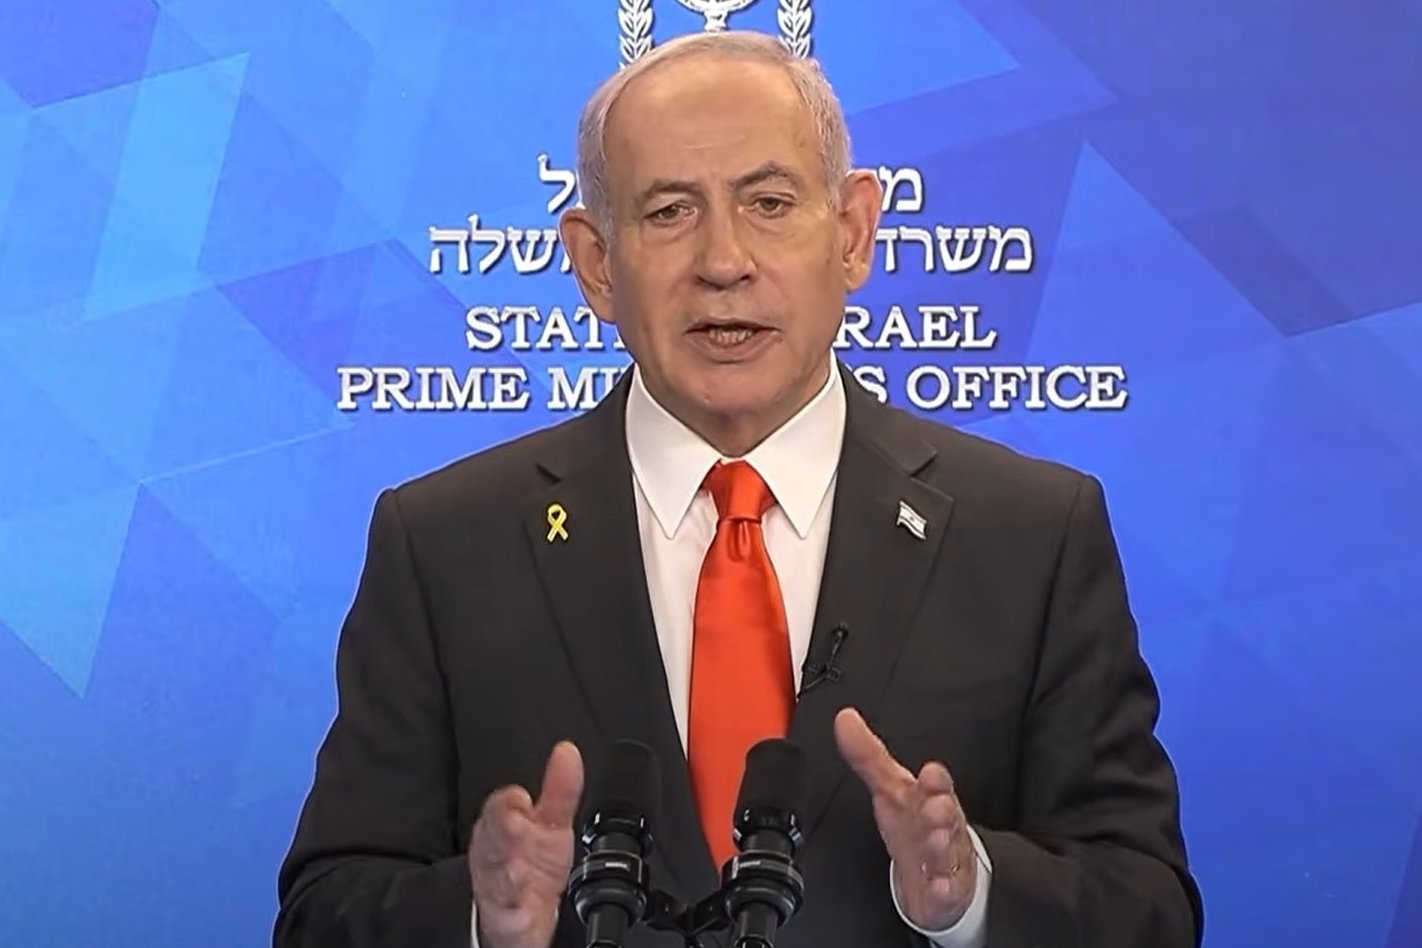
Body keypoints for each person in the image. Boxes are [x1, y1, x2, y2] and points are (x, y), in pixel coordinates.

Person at [274, 29, 1203, 948]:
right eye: (669, 211)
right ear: (597, 264)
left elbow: (1147, 908)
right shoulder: (446, 544)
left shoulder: (1032, 535)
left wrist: (973, 897)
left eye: (769, 202)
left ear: (853, 233)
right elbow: (325, 912)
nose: (724, 260)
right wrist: (481, 917)